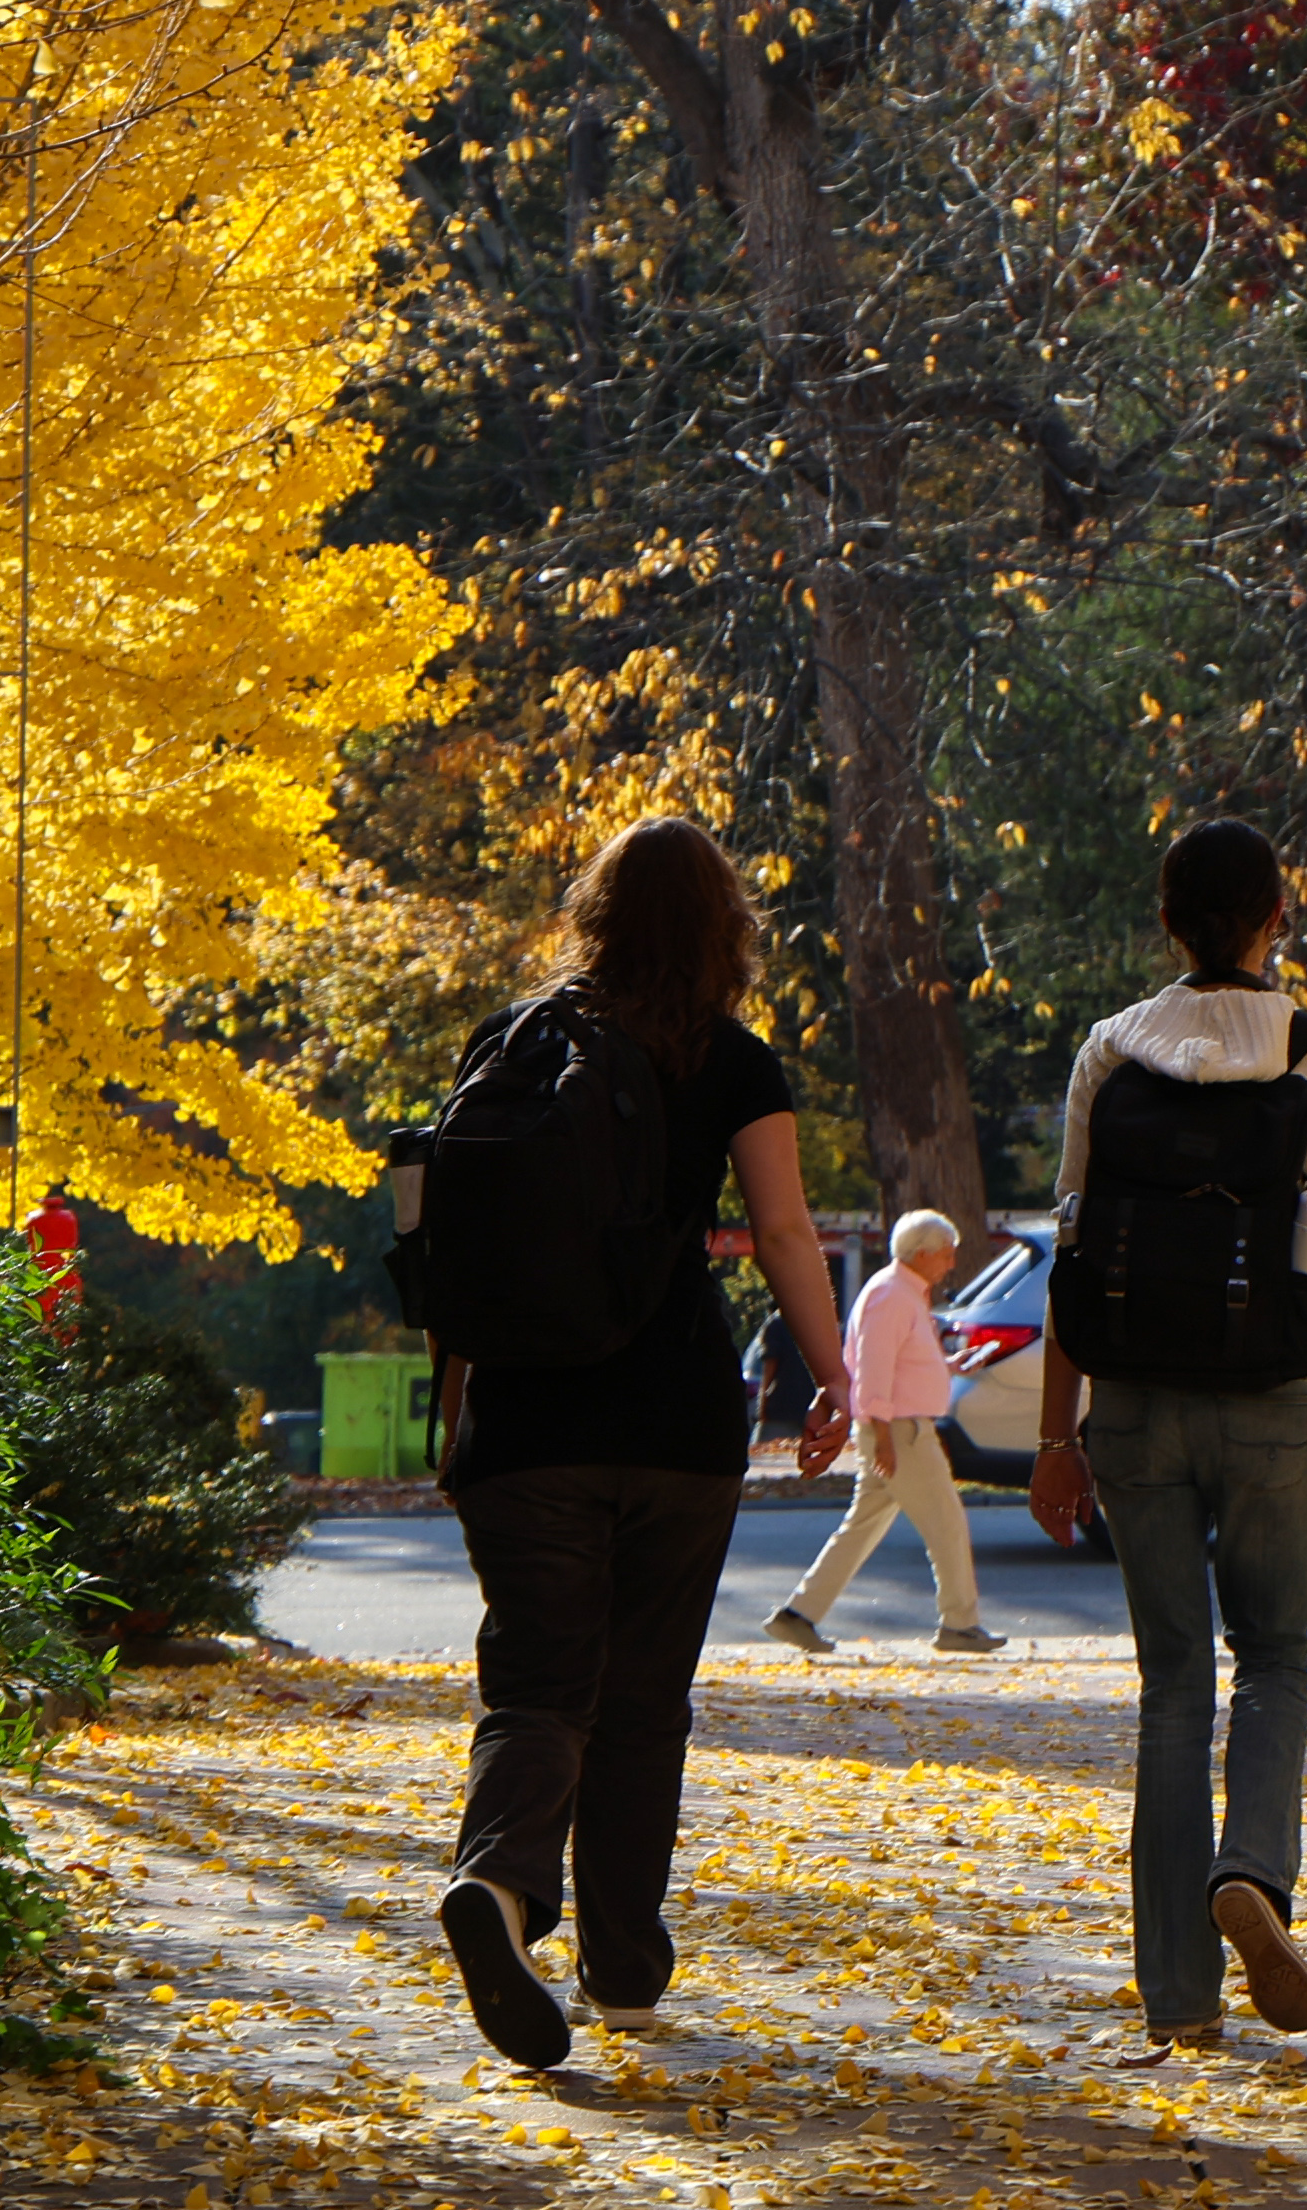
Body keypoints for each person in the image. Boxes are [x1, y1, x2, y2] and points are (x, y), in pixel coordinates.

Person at [433, 815, 850, 2070]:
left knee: (537, 1685)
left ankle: (499, 1886)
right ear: (724, 927)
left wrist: (452, 1404)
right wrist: (835, 1380)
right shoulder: (733, 1060)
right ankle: (621, 1966)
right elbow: (783, 1235)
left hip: (521, 1419)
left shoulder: (508, 1042)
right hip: (674, 1420)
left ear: (596, 915)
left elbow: (458, 1242)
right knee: (643, 1699)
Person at [1046, 820, 1307, 2051]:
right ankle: (1253, 1871)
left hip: (1131, 1402)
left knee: (1171, 1682)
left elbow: (1072, 1244)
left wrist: (1054, 1436)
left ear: (1167, 921)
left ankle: (1180, 2001)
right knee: (1277, 1659)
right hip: (1268, 1401)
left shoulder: (1106, 1050)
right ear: (1276, 917)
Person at [761, 1207, 1004, 1656]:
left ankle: (798, 1615)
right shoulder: (892, 1294)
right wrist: (885, 1437)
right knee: (947, 1525)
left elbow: (896, 1366)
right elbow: (872, 1374)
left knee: (862, 1528)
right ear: (923, 1253)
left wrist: (949, 1366)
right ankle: (960, 1624)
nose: (951, 1263)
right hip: (901, 1431)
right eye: (947, 1255)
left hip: (897, 1428)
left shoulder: (900, 1291)